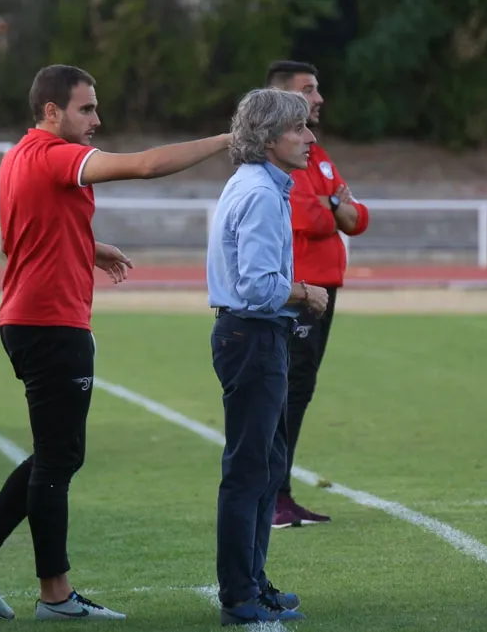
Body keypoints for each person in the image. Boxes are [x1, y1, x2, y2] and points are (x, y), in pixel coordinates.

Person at [0, 64, 231, 622]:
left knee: (59, 453)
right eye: (86, 108)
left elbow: (17, 234)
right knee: (57, 458)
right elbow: (145, 166)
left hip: (30, 319)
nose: (97, 119)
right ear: (53, 112)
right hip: (51, 324)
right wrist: (223, 140)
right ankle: (53, 595)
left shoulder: (19, 154)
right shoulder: (56, 155)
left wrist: (87, 246)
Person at [206, 87, 329, 625]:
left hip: (252, 337)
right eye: (298, 128)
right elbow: (257, 287)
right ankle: (240, 591)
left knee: (265, 464)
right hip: (253, 335)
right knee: (251, 468)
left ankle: (252, 581)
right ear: (268, 136)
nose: (309, 137)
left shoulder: (256, 184)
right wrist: (306, 292)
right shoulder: (260, 192)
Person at [263, 61, 370, 528]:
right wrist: (334, 205)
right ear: (283, 99)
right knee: (285, 391)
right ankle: (272, 495)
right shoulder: (278, 157)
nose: (320, 98)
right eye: (309, 90)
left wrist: (335, 207)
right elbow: (306, 216)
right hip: (299, 291)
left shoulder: (317, 153)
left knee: (299, 391)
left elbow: (359, 218)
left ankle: (279, 493)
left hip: (324, 288)